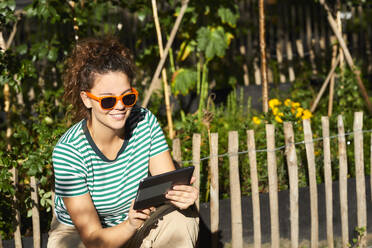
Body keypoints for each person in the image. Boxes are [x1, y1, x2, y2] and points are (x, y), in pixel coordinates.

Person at [47, 36, 199, 248]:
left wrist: (182, 195)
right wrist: (129, 224)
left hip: (136, 220)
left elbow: (166, 187)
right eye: (108, 100)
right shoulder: (69, 152)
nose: (119, 106)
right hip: (82, 237)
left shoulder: (144, 122)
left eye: (127, 98)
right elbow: (93, 239)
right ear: (86, 99)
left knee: (182, 219)